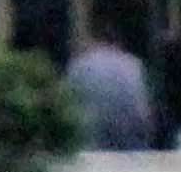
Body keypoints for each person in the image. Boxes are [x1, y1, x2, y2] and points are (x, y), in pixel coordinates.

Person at [65, 12, 162, 154]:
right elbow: (145, 111)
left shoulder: (80, 65)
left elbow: (66, 108)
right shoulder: (134, 64)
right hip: (131, 144)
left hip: (92, 143)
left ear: (94, 39)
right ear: (118, 42)